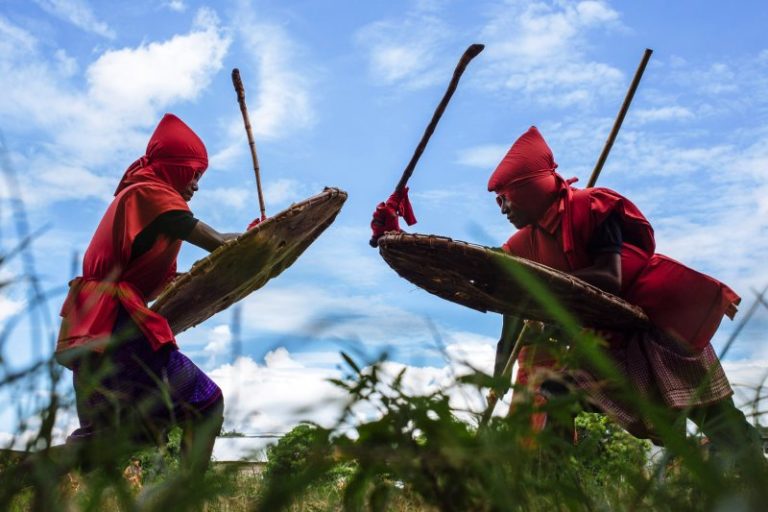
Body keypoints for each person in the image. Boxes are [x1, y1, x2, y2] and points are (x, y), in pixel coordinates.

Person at [488, 126, 763, 464]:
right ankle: (552, 487)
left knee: (712, 414)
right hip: (608, 339)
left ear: (529, 190)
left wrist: (550, 285)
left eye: (506, 198)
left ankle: (753, 469)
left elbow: (610, 277)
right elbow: (513, 306)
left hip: (661, 321)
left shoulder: (590, 208)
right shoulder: (522, 247)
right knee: (556, 392)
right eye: (497, 200)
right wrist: (499, 371)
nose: (502, 209)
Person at [56, 113, 242, 476]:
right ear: (174, 168)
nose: (196, 186)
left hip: (93, 330)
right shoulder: (151, 193)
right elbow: (220, 243)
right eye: (194, 174)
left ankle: (16, 478)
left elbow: (158, 279)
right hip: (115, 326)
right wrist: (268, 232)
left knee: (108, 441)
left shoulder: (141, 197)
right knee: (206, 402)